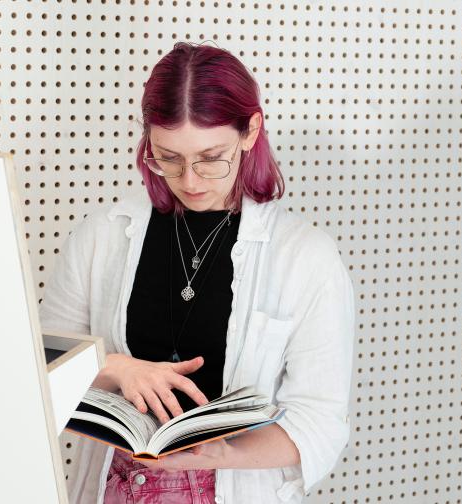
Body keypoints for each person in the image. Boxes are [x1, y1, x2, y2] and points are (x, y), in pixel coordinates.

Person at [39, 41, 355, 503]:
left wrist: (220, 455)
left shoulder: (306, 257)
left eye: (211, 157)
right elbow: (40, 369)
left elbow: (320, 422)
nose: (189, 180)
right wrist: (116, 369)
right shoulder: (100, 237)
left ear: (251, 131)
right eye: (168, 156)